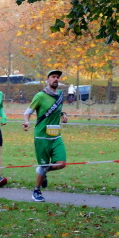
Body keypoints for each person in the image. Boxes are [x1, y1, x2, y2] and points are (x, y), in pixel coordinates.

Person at [23, 70, 69, 202]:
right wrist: (27, 122)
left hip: (56, 136)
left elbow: (57, 110)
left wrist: (63, 115)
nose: (56, 79)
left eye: (57, 77)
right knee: (43, 167)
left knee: (61, 163)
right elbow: (27, 112)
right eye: (53, 77)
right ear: (47, 79)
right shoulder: (40, 96)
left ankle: (42, 170)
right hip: (42, 137)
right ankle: (36, 191)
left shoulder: (60, 95)